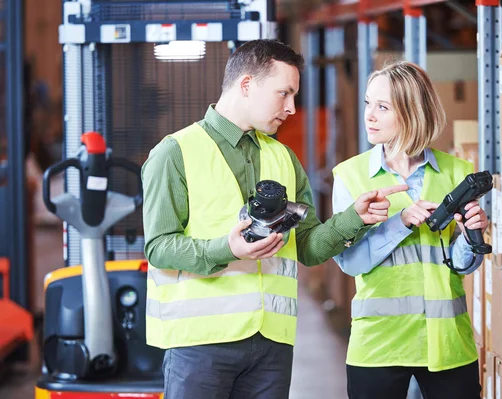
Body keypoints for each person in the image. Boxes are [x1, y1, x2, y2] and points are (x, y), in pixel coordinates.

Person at [141, 39, 405, 399]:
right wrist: (227, 248)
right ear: (246, 85)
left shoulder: (284, 158)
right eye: (284, 94)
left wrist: (353, 218)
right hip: (200, 346)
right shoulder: (174, 153)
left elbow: (308, 247)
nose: (292, 108)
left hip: (271, 345)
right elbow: (158, 247)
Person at [332, 61, 489, 399]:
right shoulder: (350, 176)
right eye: (368, 104)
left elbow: (462, 266)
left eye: (382, 107)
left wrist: (471, 234)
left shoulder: (456, 171)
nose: (369, 115)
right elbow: (351, 263)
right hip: (379, 345)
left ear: (412, 112)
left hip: (447, 344)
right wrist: (400, 223)